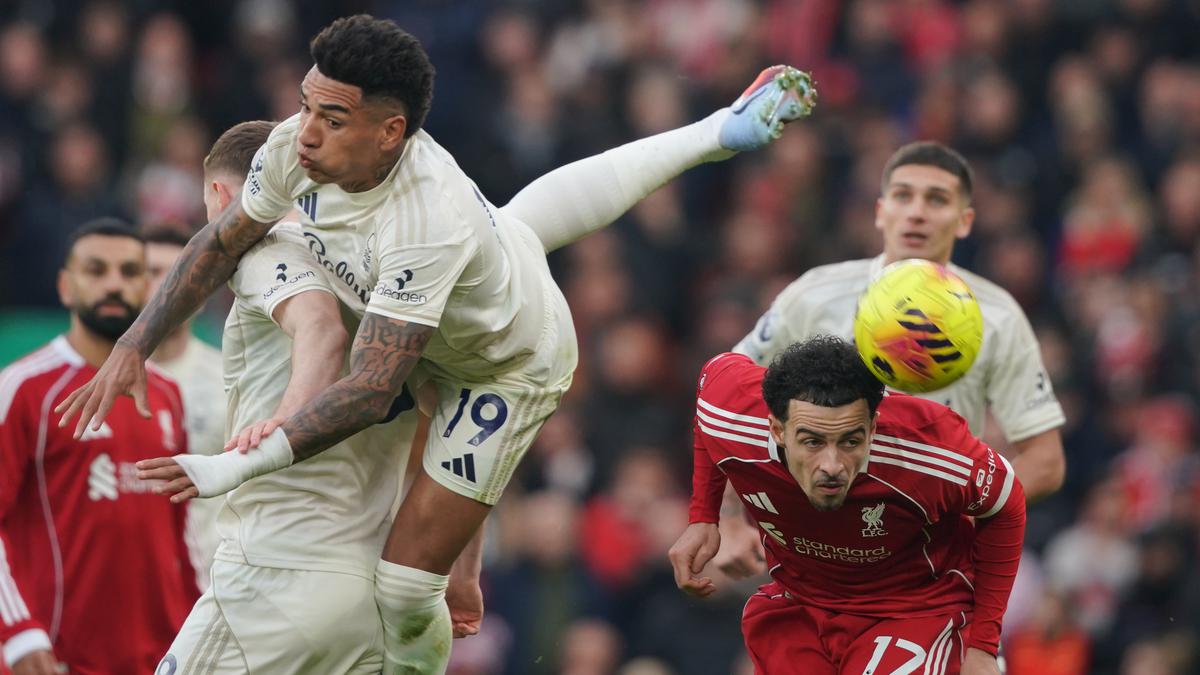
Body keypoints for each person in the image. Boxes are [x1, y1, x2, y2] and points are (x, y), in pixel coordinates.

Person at [57, 15, 815, 672]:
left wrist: (237, 462)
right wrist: (134, 343)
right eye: (306, 104)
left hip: (507, 366)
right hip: (463, 297)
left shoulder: (426, 225)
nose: (306, 131)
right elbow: (222, 240)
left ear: (390, 132)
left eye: (331, 118)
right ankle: (718, 130)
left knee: (403, 586)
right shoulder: (298, 146)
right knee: (520, 226)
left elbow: (373, 389)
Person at [717, 141, 1066, 577]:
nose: (916, 212)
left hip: (928, 569)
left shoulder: (996, 315)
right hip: (815, 553)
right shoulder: (814, 295)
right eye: (903, 196)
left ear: (964, 221)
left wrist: (962, 514)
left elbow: (1046, 460)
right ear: (881, 212)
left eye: (936, 199)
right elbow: (727, 398)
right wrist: (728, 517)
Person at [160, 119, 429, 673]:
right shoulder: (391, 279)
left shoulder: (264, 252)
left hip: (277, 574)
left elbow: (320, 330)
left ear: (222, 197)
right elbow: (443, 413)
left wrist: (283, 424)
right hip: (377, 588)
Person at [669, 336, 1026, 675]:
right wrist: (704, 516)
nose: (832, 465)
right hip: (801, 604)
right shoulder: (734, 416)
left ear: (872, 428)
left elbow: (1006, 505)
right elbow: (710, 394)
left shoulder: (930, 449)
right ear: (777, 430)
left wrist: (982, 648)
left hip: (915, 608)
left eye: (850, 441)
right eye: (812, 442)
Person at [0, 220, 197, 675]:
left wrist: (201, 615)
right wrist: (19, 630)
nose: (114, 284)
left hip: (162, 656)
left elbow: (183, 530)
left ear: (147, 288)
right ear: (65, 286)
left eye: (129, 272)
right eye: (96, 270)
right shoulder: (24, 388)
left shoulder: (167, 394)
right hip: (54, 654)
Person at [142, 226, 227, 591]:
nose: (167, 286)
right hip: (120, 587)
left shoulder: (231, 380)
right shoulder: (94, 383)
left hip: (208, 590)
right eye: (152, 272)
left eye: (180, 273)